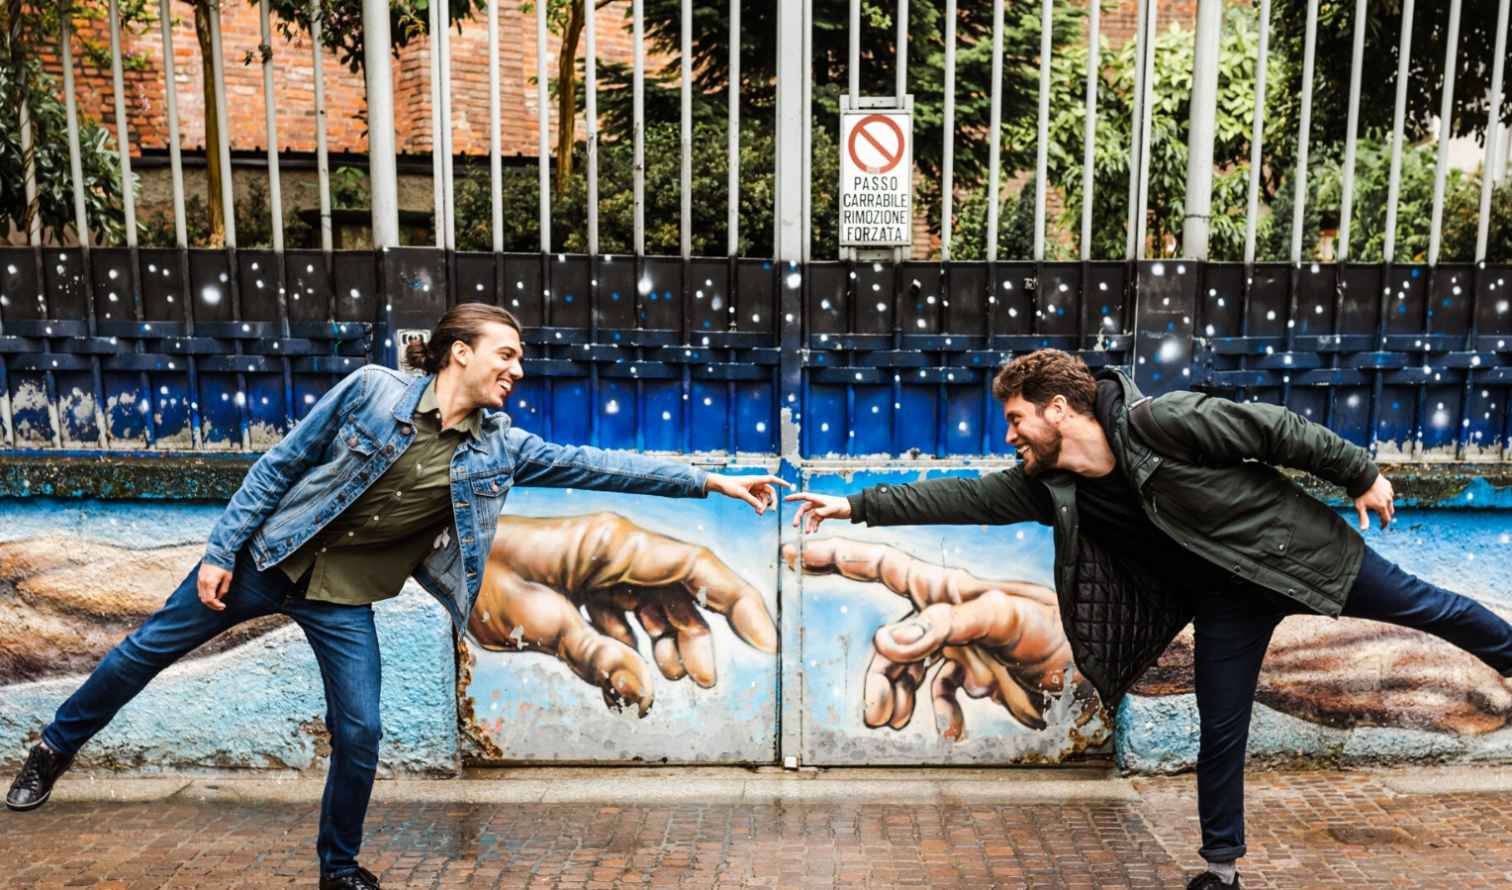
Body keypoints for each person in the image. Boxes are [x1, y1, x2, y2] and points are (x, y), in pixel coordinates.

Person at [5, 303, 788, 890]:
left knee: (362, 731)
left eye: (520, 359)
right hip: (267, 559)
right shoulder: (372, 392)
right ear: (460, 352)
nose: (518, 370)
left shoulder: (502, 448)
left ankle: (338, 869)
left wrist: (711, 481)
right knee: (143, 653)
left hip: (343, 597)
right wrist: (219, 551)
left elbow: (600, 465)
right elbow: (280, 466)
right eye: (507, 354)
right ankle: (54, 749)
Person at [785, 348, 1512, 890]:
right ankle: (1221, 870)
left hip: (1295, 552)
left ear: (1058, 409)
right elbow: (962, 498)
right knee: (1220, 729)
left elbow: (1277, 430)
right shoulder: (1053, 487)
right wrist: (855, 505)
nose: (1011, 436)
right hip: (1226, 601)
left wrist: (1362, 473)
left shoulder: (1161, 421)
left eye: (1015, 419)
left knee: (1431, 609)